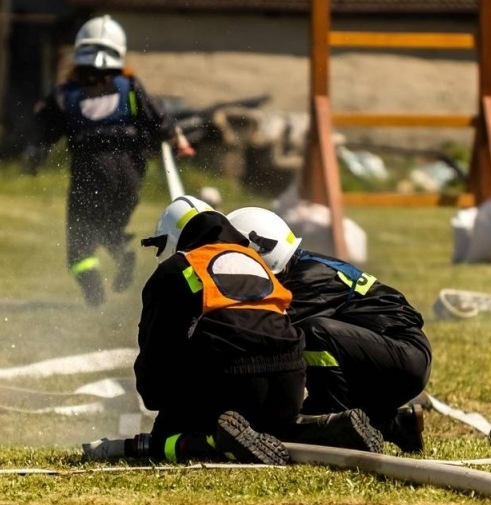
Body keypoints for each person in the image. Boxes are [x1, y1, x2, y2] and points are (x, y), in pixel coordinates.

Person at [128, 197, 384, 465]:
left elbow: (154, 368)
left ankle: (215, 442)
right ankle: (332, 428)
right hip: (289, 385)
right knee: (272, 430)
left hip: (233, 386)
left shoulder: (175, 270)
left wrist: (167, 402)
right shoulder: (255, 259)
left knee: (162, 440)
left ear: (170, 239)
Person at [228, 207, 431, 453]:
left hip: (403, 357)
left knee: (311, 332)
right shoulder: (305, 266)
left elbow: (271, 334)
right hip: (391, 354)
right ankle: (396, 425)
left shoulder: (306, 280)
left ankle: (333, 420)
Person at [26, 15, 192, 306]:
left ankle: (93, 293)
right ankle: (122, 252)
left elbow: (44, 132)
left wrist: (33, 158)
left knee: (80, 240)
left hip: (89, 173)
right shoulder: (130, 88)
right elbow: (159, 119)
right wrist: (177, 139)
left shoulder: (66, 95)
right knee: (110, 226)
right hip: (130, 175)